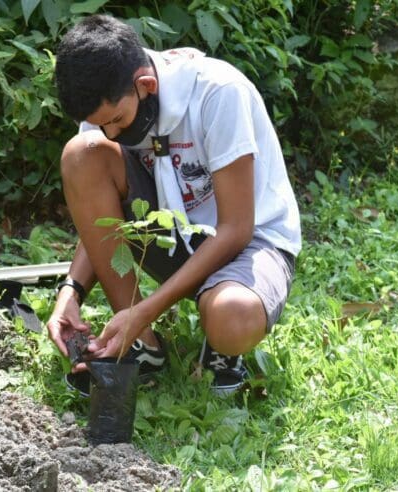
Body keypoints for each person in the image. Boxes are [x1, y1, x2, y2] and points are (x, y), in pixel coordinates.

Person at [47, 14, 301, 397]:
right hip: (174, 235)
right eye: (102, 125)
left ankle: (216, 345)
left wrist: (148, 307)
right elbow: (104, 219)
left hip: (250, 243)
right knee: (82, 154)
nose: (112, 134)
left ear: (145, 85)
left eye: (116, 120)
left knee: (230, 317)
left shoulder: (218, 92)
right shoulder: (109, 107)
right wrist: (71, 291)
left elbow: (236, 229)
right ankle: (141, 345)